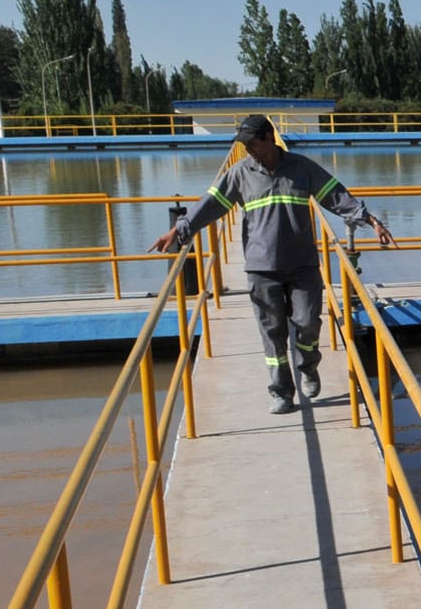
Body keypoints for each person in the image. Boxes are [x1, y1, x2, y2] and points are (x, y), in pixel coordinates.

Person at [151, 114, 396, 414]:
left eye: (253, 144)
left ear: (269, 137)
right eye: (245, 146)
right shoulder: (240, 174)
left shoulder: (301, 168)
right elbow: (211, 204)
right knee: (272, 334)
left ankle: (308, 366)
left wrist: (371, 221)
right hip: (261, 268)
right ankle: (281, 391)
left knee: (308, 324)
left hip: (303, 266)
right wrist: (179, 229)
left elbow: (336, 196)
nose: (248, 150)